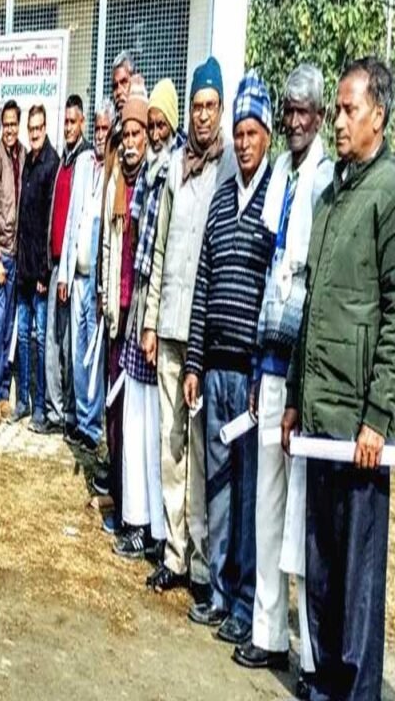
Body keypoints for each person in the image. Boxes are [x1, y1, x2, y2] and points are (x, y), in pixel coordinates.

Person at [282, 56, 395, 701]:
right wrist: (295, 398)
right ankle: (324, 680)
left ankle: (357, 690)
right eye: (341, 110)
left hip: (360, 431)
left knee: (358, 577)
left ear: (379, 114)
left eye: (351, 110)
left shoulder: (388, 193)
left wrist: (378, 416)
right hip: (319, 418)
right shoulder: (330, 194)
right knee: (321, 564)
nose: (341, 121)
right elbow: (312, 306)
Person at [232, 65, 331, 698]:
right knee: (268, 506)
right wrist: (256, 366)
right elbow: (272, 272)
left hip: (307, 375)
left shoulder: (324, 180)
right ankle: (267, 631)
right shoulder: (283, 180)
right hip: (269, 360)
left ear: (319, 116)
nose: (295, 121)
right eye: (287, 111)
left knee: (307, 517)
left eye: (303, 112)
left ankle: (314, 655)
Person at [184, 71, 274, 645]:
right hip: (214, 367)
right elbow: (203, 283)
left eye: (250, 132)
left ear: (265, 135)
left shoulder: (274, 200)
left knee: (248, 493)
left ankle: (244, 600)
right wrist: (194, 362)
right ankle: (218, 592)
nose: (242, 143)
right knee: (217, 485)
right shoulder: (222, 200)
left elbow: (277, 291)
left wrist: (264, 370)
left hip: (250, 374)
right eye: (238, 134)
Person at [141, 56, 235, 594]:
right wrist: (150, 322)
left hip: (207, 338)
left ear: (220, 109)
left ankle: (202, 563)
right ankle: (175, 554)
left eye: (209, 106)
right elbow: (159, 249)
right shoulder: (176, 167)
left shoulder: (229, 167)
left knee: (201, 454)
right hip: (170, 328)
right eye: (196, 105)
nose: (202, 115)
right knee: (170, 444)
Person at [119, 78, 185, 580]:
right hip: (140, 305)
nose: (154, 134)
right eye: (149, 126)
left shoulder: (175, 171)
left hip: (157, 318)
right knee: (137, 423)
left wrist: (151, 323)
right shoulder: (144, 175)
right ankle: (137, 520)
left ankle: (158, 531)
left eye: (158, 126)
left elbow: (163, 253)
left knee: (157, 433)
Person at [99, 86, 149, 554]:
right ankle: (118, 496)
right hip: (117, 314)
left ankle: (140, 516)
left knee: (138, 423)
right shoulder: (116, 181)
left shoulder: (152, 181)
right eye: (126, 134)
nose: (131, 143)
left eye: (138, 134)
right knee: (114, 415)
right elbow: (107, 246)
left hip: (143, 319)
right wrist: (105, 295)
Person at [57, 100, 112, 451]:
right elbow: (70, 223)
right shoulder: (83, 163)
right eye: (98, 128)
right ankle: (79, 418)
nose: (101, 134)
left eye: (106, 128)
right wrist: (64, 273)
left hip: (96, 282)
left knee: (93, 354)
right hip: (75, 276)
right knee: (76, 350)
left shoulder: (115, 168)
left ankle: (93, 427)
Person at [13, 104, 59, 430]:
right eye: (30, 129)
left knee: (41, 340)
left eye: (38, 128)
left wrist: (44, 272)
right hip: (23, 270)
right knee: (23, 336)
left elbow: (49, 223)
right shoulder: (28, 162)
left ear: (45, 128)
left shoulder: (51, 164)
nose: (34, 133)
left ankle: (40, 406)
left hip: (40, 273)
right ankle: (23, 401)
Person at [43, 94, 87, 435]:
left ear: (82, 123)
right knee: (52, 342)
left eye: (73, 122)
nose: (69, 128)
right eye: (66, 122)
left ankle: (71, 415)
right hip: (55, 264)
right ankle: (55, 411)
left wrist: (67, 273)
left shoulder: (85, 161)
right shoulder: (63, 161)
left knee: (71, 344)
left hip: (72, 271)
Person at [0, 100, 26, 424]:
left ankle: (4, 392)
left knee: (10, 328)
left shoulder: (22, 155)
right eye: (6, 124)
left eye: (14, 124)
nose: (10, 129)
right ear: (1, 125)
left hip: (16, 256)